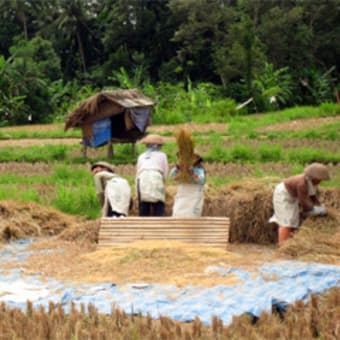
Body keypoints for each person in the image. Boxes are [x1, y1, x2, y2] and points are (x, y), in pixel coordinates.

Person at [269, 162, 330, 245]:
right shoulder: (302, 184)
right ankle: (282, 247)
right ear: (314, 177)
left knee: (293, 220)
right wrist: (314, 209)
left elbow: (313, 196)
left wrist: (319, 206)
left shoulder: (312, 182)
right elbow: (303, 201)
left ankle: (289, 243)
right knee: (286, 222)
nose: (320, 181)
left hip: (293, 196)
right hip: (283, 195)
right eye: (319, 179)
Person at [136, 134, 168, 216]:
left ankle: (143, 224)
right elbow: (165, 171)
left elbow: (138, 172)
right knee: (158, 202)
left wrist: (137, 185)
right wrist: (164, 181)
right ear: (159, 145)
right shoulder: (162, 155)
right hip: (156, 177)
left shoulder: (141, 156)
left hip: (143, 178)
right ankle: (159, 223)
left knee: (143, 203)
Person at [170, 153, 206, 217]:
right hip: (181, 198)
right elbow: (171, 176)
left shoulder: (199, 169)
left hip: (194, 199)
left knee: (191, 217)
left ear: (197, 159)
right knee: (177, 215)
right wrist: (177, 168)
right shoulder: (181, 168)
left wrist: (192, 172)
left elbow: (201, 180)